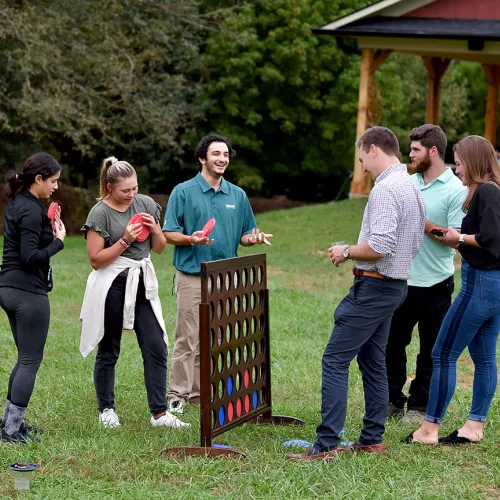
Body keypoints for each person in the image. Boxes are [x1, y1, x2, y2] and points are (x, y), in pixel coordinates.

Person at [289, 126, 426, 461]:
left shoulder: (386, 189)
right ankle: (371, 440)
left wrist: (346, 251)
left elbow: (379, 245)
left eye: (363, 157)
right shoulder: (411, 186)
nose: (363, 166)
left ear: (375, 149)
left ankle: (326, 445)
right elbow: (415, 242)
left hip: (375, 287)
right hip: (395, 286)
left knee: (335, 359)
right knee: (372, 361)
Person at [163, 134, 272, 415]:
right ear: (202, 158)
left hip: (225, 278)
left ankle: (201, 393)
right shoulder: (183, 192)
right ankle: (177, 395)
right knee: (187, 338)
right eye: (216, 154)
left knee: (216, 340)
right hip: (191, 275)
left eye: (225, 154)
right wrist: (191, 239)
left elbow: (245, 234)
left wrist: (254, 238)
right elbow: (168, 233)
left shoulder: (238, 195)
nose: (222, 159)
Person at [80, 157, 189, 429]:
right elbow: (96, 259)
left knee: (156, 345)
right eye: (125, 190)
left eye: (135, 188)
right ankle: (106, 409)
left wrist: (154, 230)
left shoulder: (145, 203)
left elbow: (160, 248)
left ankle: (160, 414)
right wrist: (125, 239)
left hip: (141, 282)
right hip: (112, 282)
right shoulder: (99, 213)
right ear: (109, 187)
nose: (131, 195)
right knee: (109, 348)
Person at [405, 136, 500, 445]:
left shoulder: (487, 191)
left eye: (459, 163)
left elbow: (491, 239)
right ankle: (473, 427)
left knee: (443, 353)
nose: (457, 169)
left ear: (473, 161)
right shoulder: (492, 191)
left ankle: (428, 429)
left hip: (481, 284)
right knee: (484, 357)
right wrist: (460, 234)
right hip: (494, 286)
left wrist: (458, 239)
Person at [386, 125, 466, 425]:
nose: (410, 154)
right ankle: (392, 399)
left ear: (432, 151)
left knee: (430, 351)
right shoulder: (406, 183)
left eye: (415, 150)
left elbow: (457, 238)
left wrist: (422, 222)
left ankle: (418, 407)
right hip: (401, 280)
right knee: (391, 345)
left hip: (436, 284)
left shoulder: (455, 190)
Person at [0, 153, 66, 443]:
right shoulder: (29, 209)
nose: (55, 187)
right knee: (30, 360)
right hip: (27, 292)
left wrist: (48, 231)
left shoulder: (20, 203)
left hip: (9, 288)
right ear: (38, 179)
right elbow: (29, 257)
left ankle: (9, 423)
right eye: (52, 181)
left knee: (24, 358)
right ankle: (12, 431)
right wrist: (58, 243)